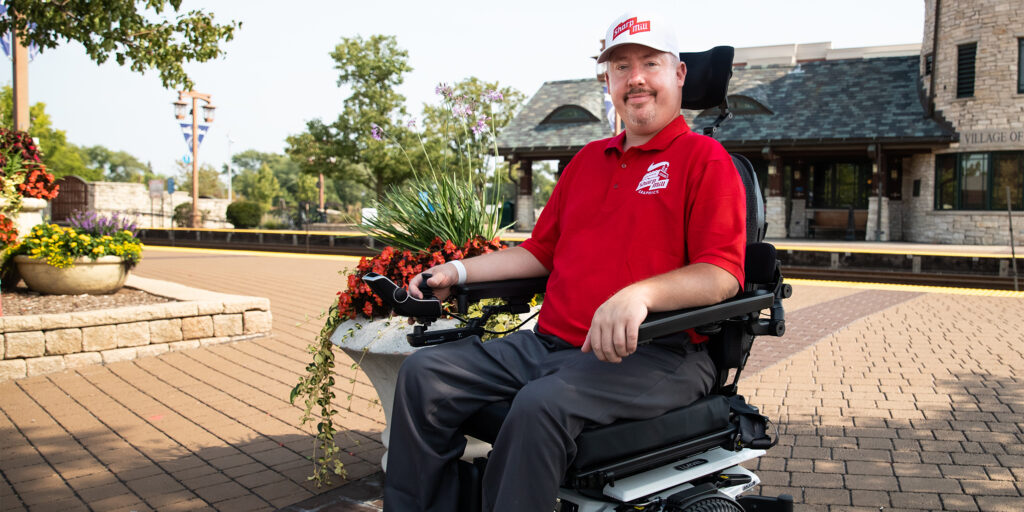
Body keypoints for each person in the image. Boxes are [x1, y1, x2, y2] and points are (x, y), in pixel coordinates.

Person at [383, 10, 747, 511]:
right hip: (551, 347)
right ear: (609, 80)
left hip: (656, 355)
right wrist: (457, 271)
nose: (635, 77)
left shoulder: (705, 160)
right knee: (424, 375)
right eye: (621, 66)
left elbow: (721, 275)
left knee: (540, 406)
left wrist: (640, 295)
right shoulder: (586, 163)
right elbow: (540, 251)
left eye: (650, 63)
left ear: (679, 74)